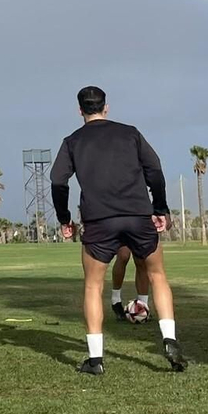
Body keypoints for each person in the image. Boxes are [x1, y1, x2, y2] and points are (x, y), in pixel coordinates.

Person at [52, 85, 186, 374]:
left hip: (99, 220)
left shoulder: (72, 141)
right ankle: (169, 339)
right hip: (138, 214)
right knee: (158, 275)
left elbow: (58, 181)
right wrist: (160, 208)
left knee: (93, 285)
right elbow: (155, 170)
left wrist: (64, 219)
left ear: (79, 110)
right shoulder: (130, 133)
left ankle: (95, 360)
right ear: (106, 107)